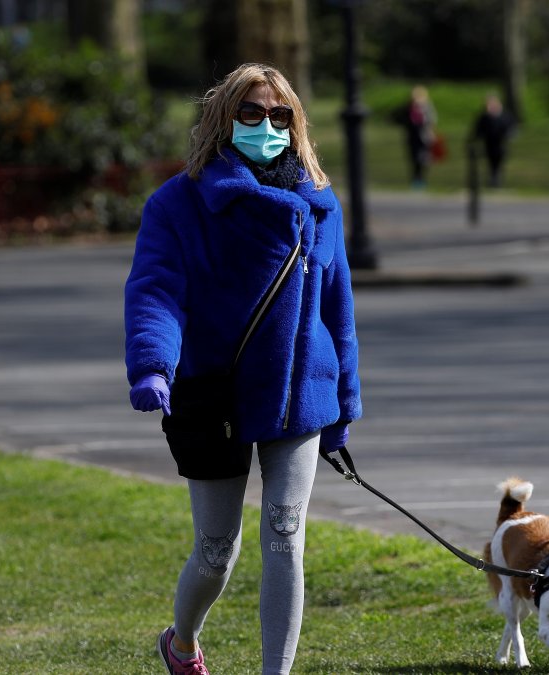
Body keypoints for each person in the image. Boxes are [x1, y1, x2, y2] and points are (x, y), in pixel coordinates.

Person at [124, 63, 363, 675]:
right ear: (222, 121)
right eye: (250, 114)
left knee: (285, 535)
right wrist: (154, 365)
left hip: (298, 391)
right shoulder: (179, 203)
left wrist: (345, 402)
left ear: (296, 122)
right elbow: (156, 291)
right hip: (215, 394)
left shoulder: (319, 201)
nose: (265, 125)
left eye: (278, 115)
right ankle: (182, 642)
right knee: (215, 551)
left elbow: (339, 308)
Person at [472, 93, 516, 188]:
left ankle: (496, 179)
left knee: (499, 161)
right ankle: (493, 179)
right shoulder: (484, 117)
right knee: (491, 162)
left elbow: (511, 127)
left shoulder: (504, 115)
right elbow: (478, 129)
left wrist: (509, 135)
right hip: (489, 142)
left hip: (501, 143)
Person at [399, 85, 437, 189]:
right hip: (412, 136)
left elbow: (431, 121)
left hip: (424, 137)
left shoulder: (427, 107)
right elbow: (401, 119)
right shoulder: (408, 107)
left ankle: (422, 179)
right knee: (414, 158)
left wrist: (431, 132)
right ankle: (415, 180)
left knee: (424, 159)